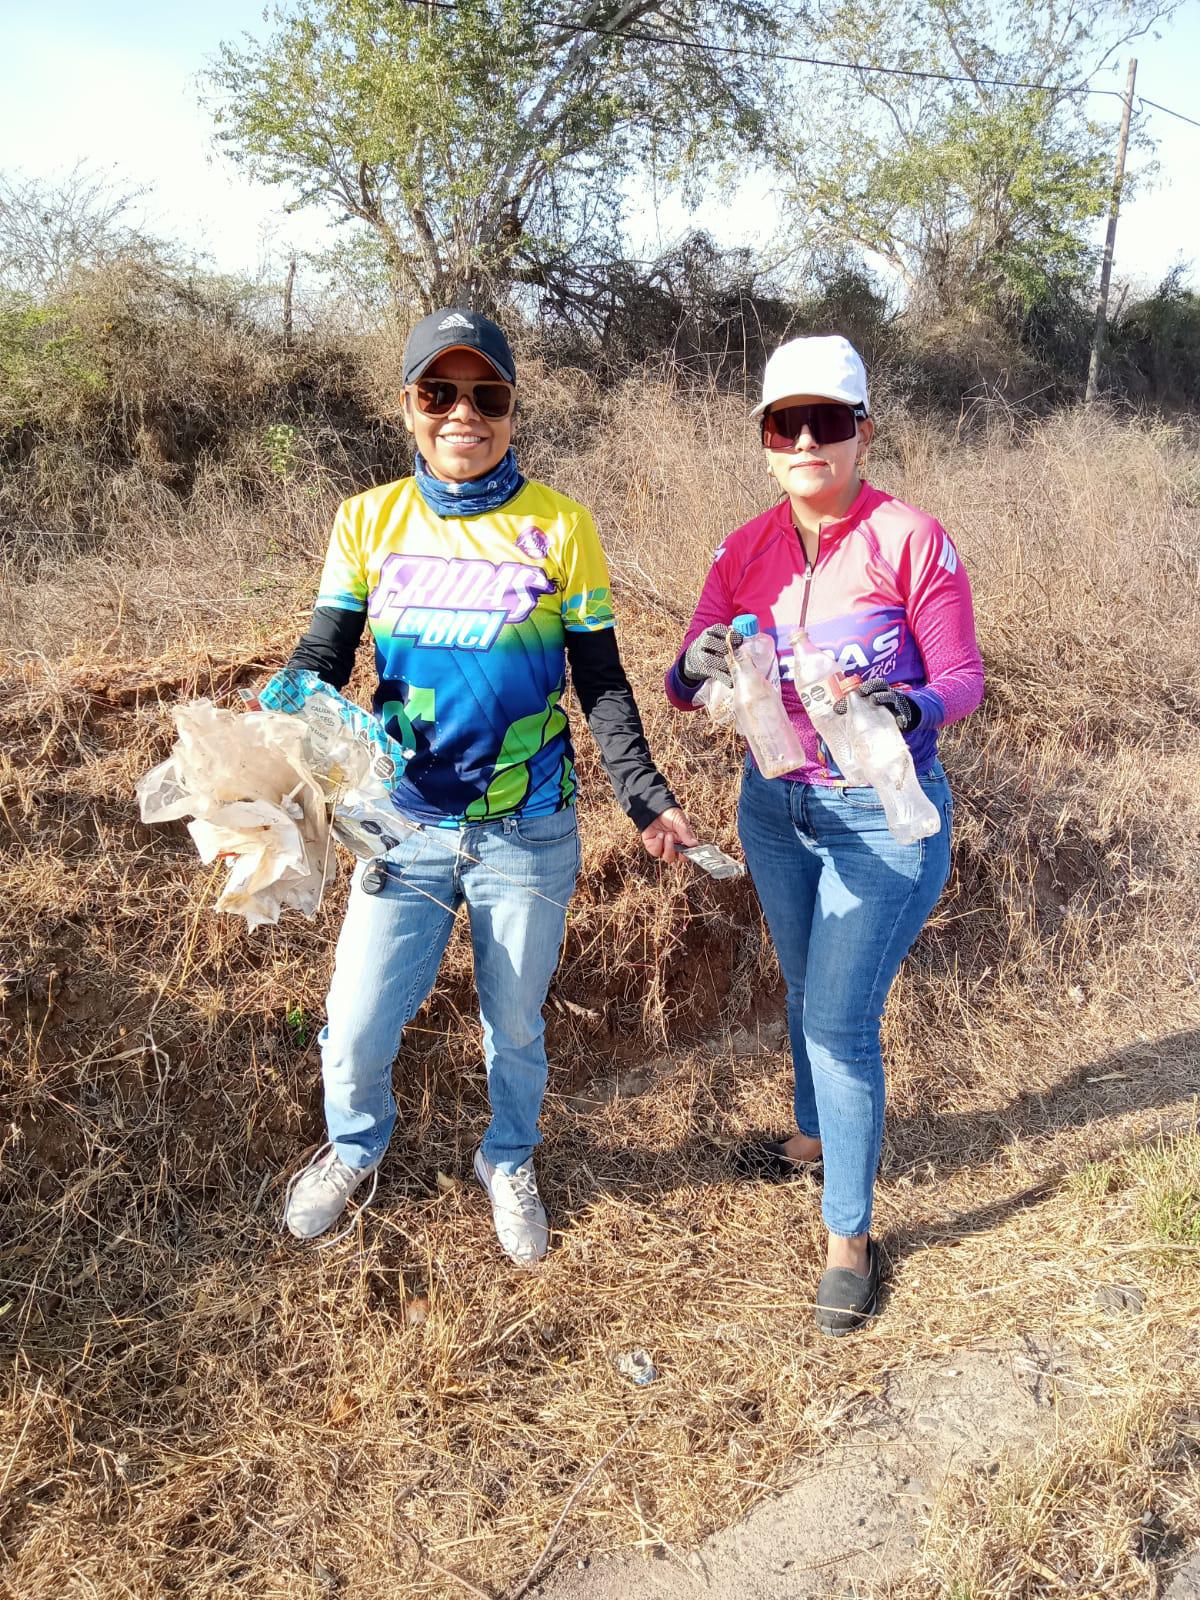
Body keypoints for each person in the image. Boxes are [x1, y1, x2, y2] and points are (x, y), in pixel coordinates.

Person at [281, 306, 697, 1262]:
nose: (462, 413)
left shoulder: (561, 526)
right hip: (405, 825)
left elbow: (598, 677)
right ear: (408, 407)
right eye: (439, 393)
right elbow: (324, 654)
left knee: (513, 1026)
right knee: (352, 1027)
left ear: (510, 408)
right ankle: (355, 1147)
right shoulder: (366, 519)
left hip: (529, 831)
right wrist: (278, 723)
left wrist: (642, 794)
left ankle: (509, 1156)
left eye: (485, 394)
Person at [666, 334, 983, 1334]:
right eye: (785, 423)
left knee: (840, 1023)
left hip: (879, 817)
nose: (807, 440)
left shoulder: (910, 539)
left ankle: (850, 1236)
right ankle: (811, 1139)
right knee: (803, 989)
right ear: (765, 440)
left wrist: (908, 705)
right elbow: (682, 683)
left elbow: (961, 678)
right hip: (776, 807)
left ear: (863, 432)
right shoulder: (743, 547)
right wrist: (701, 658)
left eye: (829, 422)